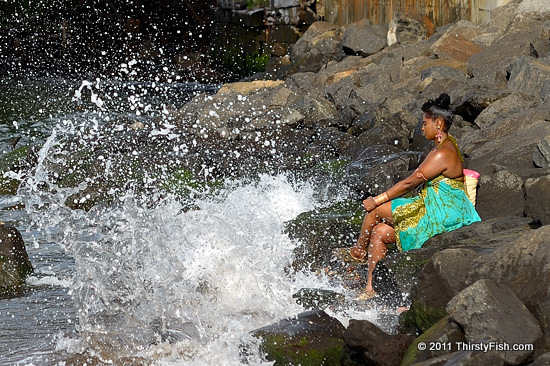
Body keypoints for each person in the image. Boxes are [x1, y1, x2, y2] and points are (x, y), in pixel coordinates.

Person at [347, 93, 481, 300]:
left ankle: (357, 253)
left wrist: (378, 199)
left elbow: (410, 182)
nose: (422, 128)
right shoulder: (444, 145)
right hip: (435, 205)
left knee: (374, 212)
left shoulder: (443, 153)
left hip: (443, 212)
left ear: (438, 124)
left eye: (425, 123)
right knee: (380, 232)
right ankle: (371, 289)